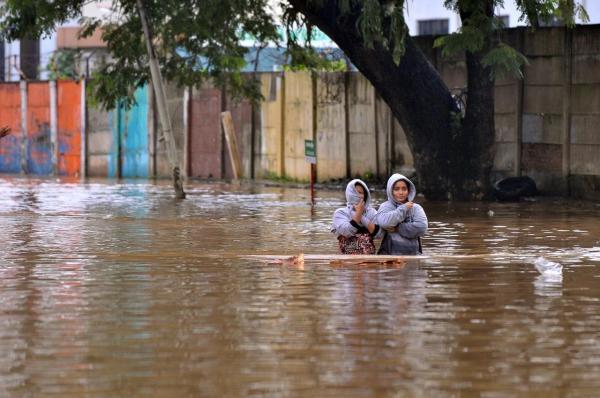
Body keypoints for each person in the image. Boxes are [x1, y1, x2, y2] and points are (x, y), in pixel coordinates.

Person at [376, 173, 428, 255]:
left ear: (409, 191)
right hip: (389, 255)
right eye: (396, 189)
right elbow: (384, 222)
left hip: (413, 255)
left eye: (404, 189)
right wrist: (403, 209)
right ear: (391, 191)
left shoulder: (416, 208)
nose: (401, 192)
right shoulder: (385, 206)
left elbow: (422, 227)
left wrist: (398, 228)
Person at [331, 179, 382, 254]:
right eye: (357, 192)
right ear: (349, 193)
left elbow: (379, 234)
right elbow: (347, 232)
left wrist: (361, 216)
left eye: (362, 193)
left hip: (369, 260)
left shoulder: (371, 212)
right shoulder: (340, 213)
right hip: (347, 259)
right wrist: (358, 213)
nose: (360, 196)